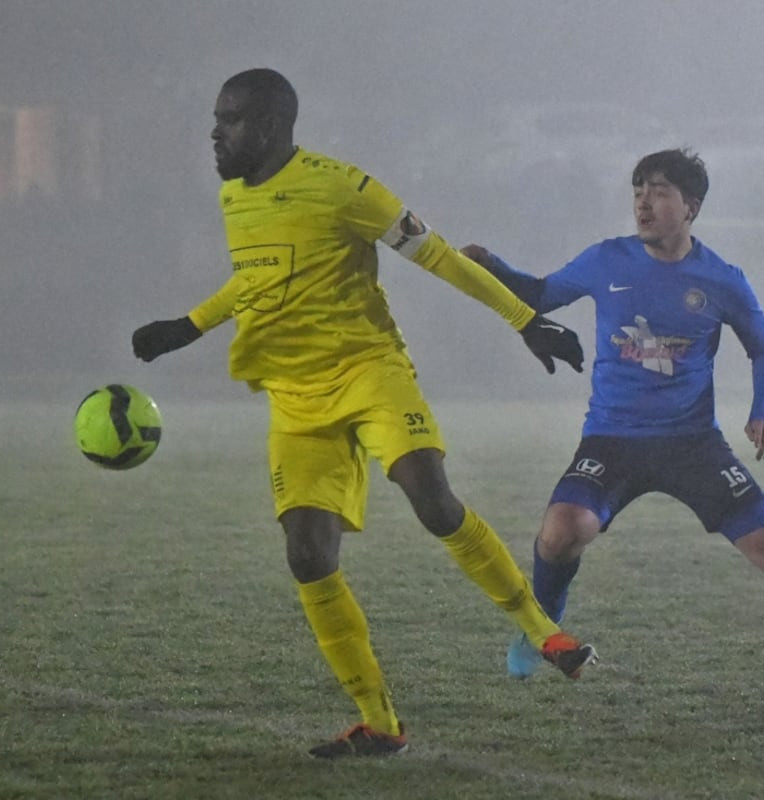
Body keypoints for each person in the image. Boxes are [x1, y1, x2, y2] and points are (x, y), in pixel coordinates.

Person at [131, 68, 596, 759]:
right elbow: (259, 275)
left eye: (227, 120)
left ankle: (544, 631)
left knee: (431, 499)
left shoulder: (345, 186)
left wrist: (523, 319)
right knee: (308, 556)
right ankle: (378, 722)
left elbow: (436, 255)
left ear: (267, 126)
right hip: (294, 398)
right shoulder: (234, 196)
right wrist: (190, 325)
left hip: (368, 370)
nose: (214, 133)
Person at [462, 148, 764, 709]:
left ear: (690, 205)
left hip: (693, 444)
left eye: (658, 191)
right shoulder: (608, 260)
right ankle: (544, 628)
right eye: (637, 190)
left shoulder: (720, 279)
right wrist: (491, 263)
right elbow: (539, 293)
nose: (643, 202)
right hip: (613, 438)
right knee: (562, 531)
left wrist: (762, 410)